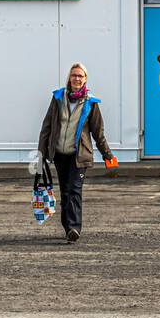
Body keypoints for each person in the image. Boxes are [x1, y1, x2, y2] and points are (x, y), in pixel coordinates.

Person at [37, 62, 118, 242]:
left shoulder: (91, 103)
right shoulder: (58, 98)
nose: (77, 78)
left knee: (74, 190)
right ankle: (68, 228)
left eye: (80, 76)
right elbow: (47, 127)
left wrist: (108, 155)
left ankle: (74, 227)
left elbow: (98, 133)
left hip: (79, 155)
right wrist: (41, 154)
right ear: (69, 78)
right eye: (74, 75)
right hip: (59, 154)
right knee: (65, 192)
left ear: (85, 80)